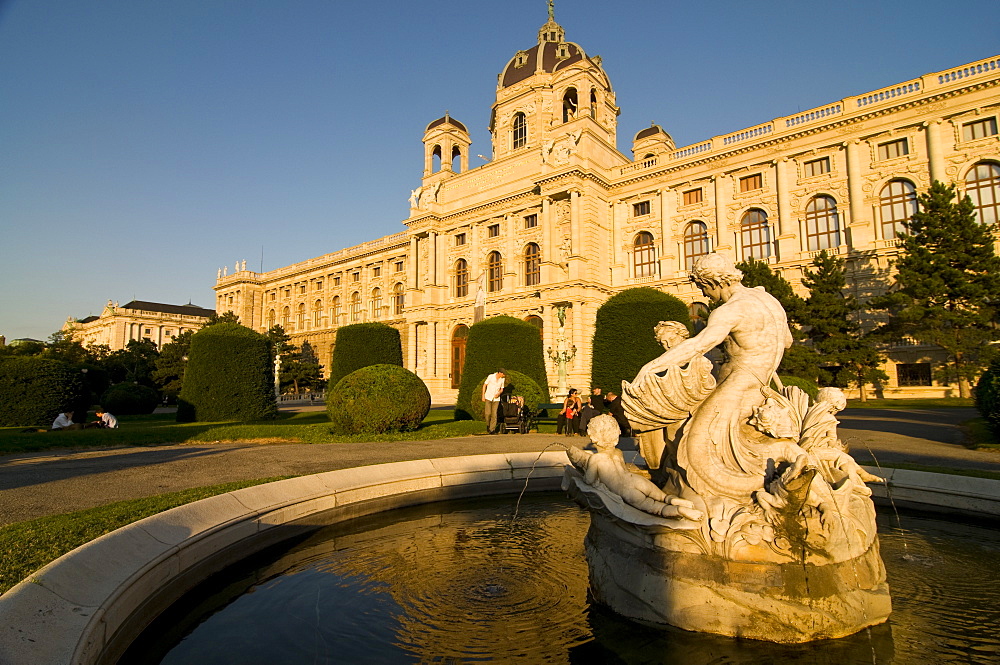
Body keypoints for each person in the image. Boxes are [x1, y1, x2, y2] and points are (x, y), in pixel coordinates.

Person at [631, 252, 795, 507]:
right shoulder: (768, 299)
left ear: (711, 283)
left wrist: (650, 367)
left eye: (703, 288)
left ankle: (708, 503)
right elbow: (787, 341)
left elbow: (698, 345)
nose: (706, 296)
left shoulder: (729, 311)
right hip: (762, 386)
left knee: (695, 447)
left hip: (737, 386)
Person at [566, 414, 702, 521]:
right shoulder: (617, 453)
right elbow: (623, 471)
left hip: (626, 491)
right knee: (661, 496)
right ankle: (676, 501)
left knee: (655, 508)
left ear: (594, 438)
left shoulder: (596, 459)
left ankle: (680, 511)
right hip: (635, 480)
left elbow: (589, 480)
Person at [481, 368, 506, 434]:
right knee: (488, 413)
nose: (504, 375)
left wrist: (499, 393)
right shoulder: (491, 376)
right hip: (488, 397)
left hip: (496, 399)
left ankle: (492, 429)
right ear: (499, 373)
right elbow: (484, 385)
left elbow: (502, 389)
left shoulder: (502, 379)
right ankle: (488, 425)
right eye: (503, 374)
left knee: (494, 414)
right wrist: (483, 395)